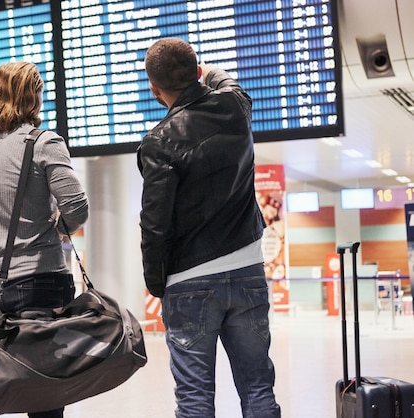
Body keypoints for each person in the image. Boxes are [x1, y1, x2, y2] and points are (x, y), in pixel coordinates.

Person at [138, 38, 281, 418]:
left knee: (195, 396)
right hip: (248, 270)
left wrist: (156, 282)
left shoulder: (158, 142)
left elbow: (155, 224)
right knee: (258, 388)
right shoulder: (235, 105)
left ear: (154, 88)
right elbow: (225, 80)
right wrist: (204, 72)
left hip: (190, 281)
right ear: (198, 72)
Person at [0, 61, 89, 418]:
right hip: (43, 283)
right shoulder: (43, 142)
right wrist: (54, 228)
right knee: (44, 396)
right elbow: (76, 206)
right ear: (33, 97)